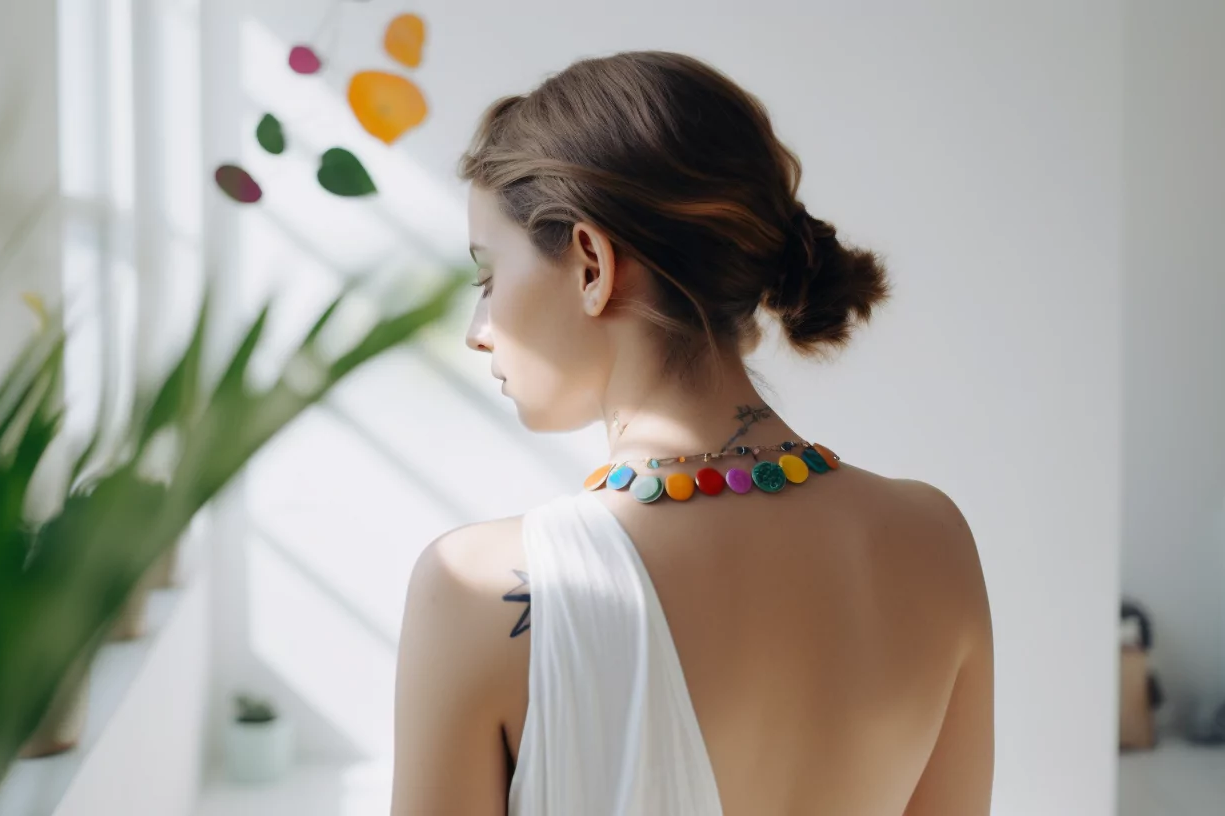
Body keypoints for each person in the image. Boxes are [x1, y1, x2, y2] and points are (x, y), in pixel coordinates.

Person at [392, 51, 993, 815]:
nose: (479, 330)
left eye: (487, 277)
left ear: (589, 265)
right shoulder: (933, 539)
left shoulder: (474, 586)